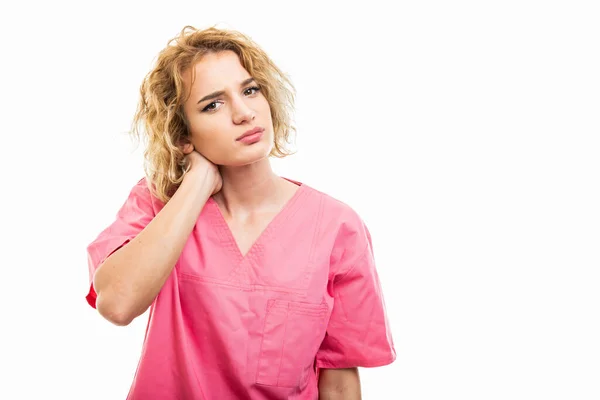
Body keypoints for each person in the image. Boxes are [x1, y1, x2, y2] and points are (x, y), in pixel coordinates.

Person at [85, 24, 396, 399]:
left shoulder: (336, 227)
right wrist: (197, 184)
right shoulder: (158, 205)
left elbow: (340, 381)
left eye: (250, 90)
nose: (245, 113)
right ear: (182, 135)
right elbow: (117, 304)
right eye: (212, 104)